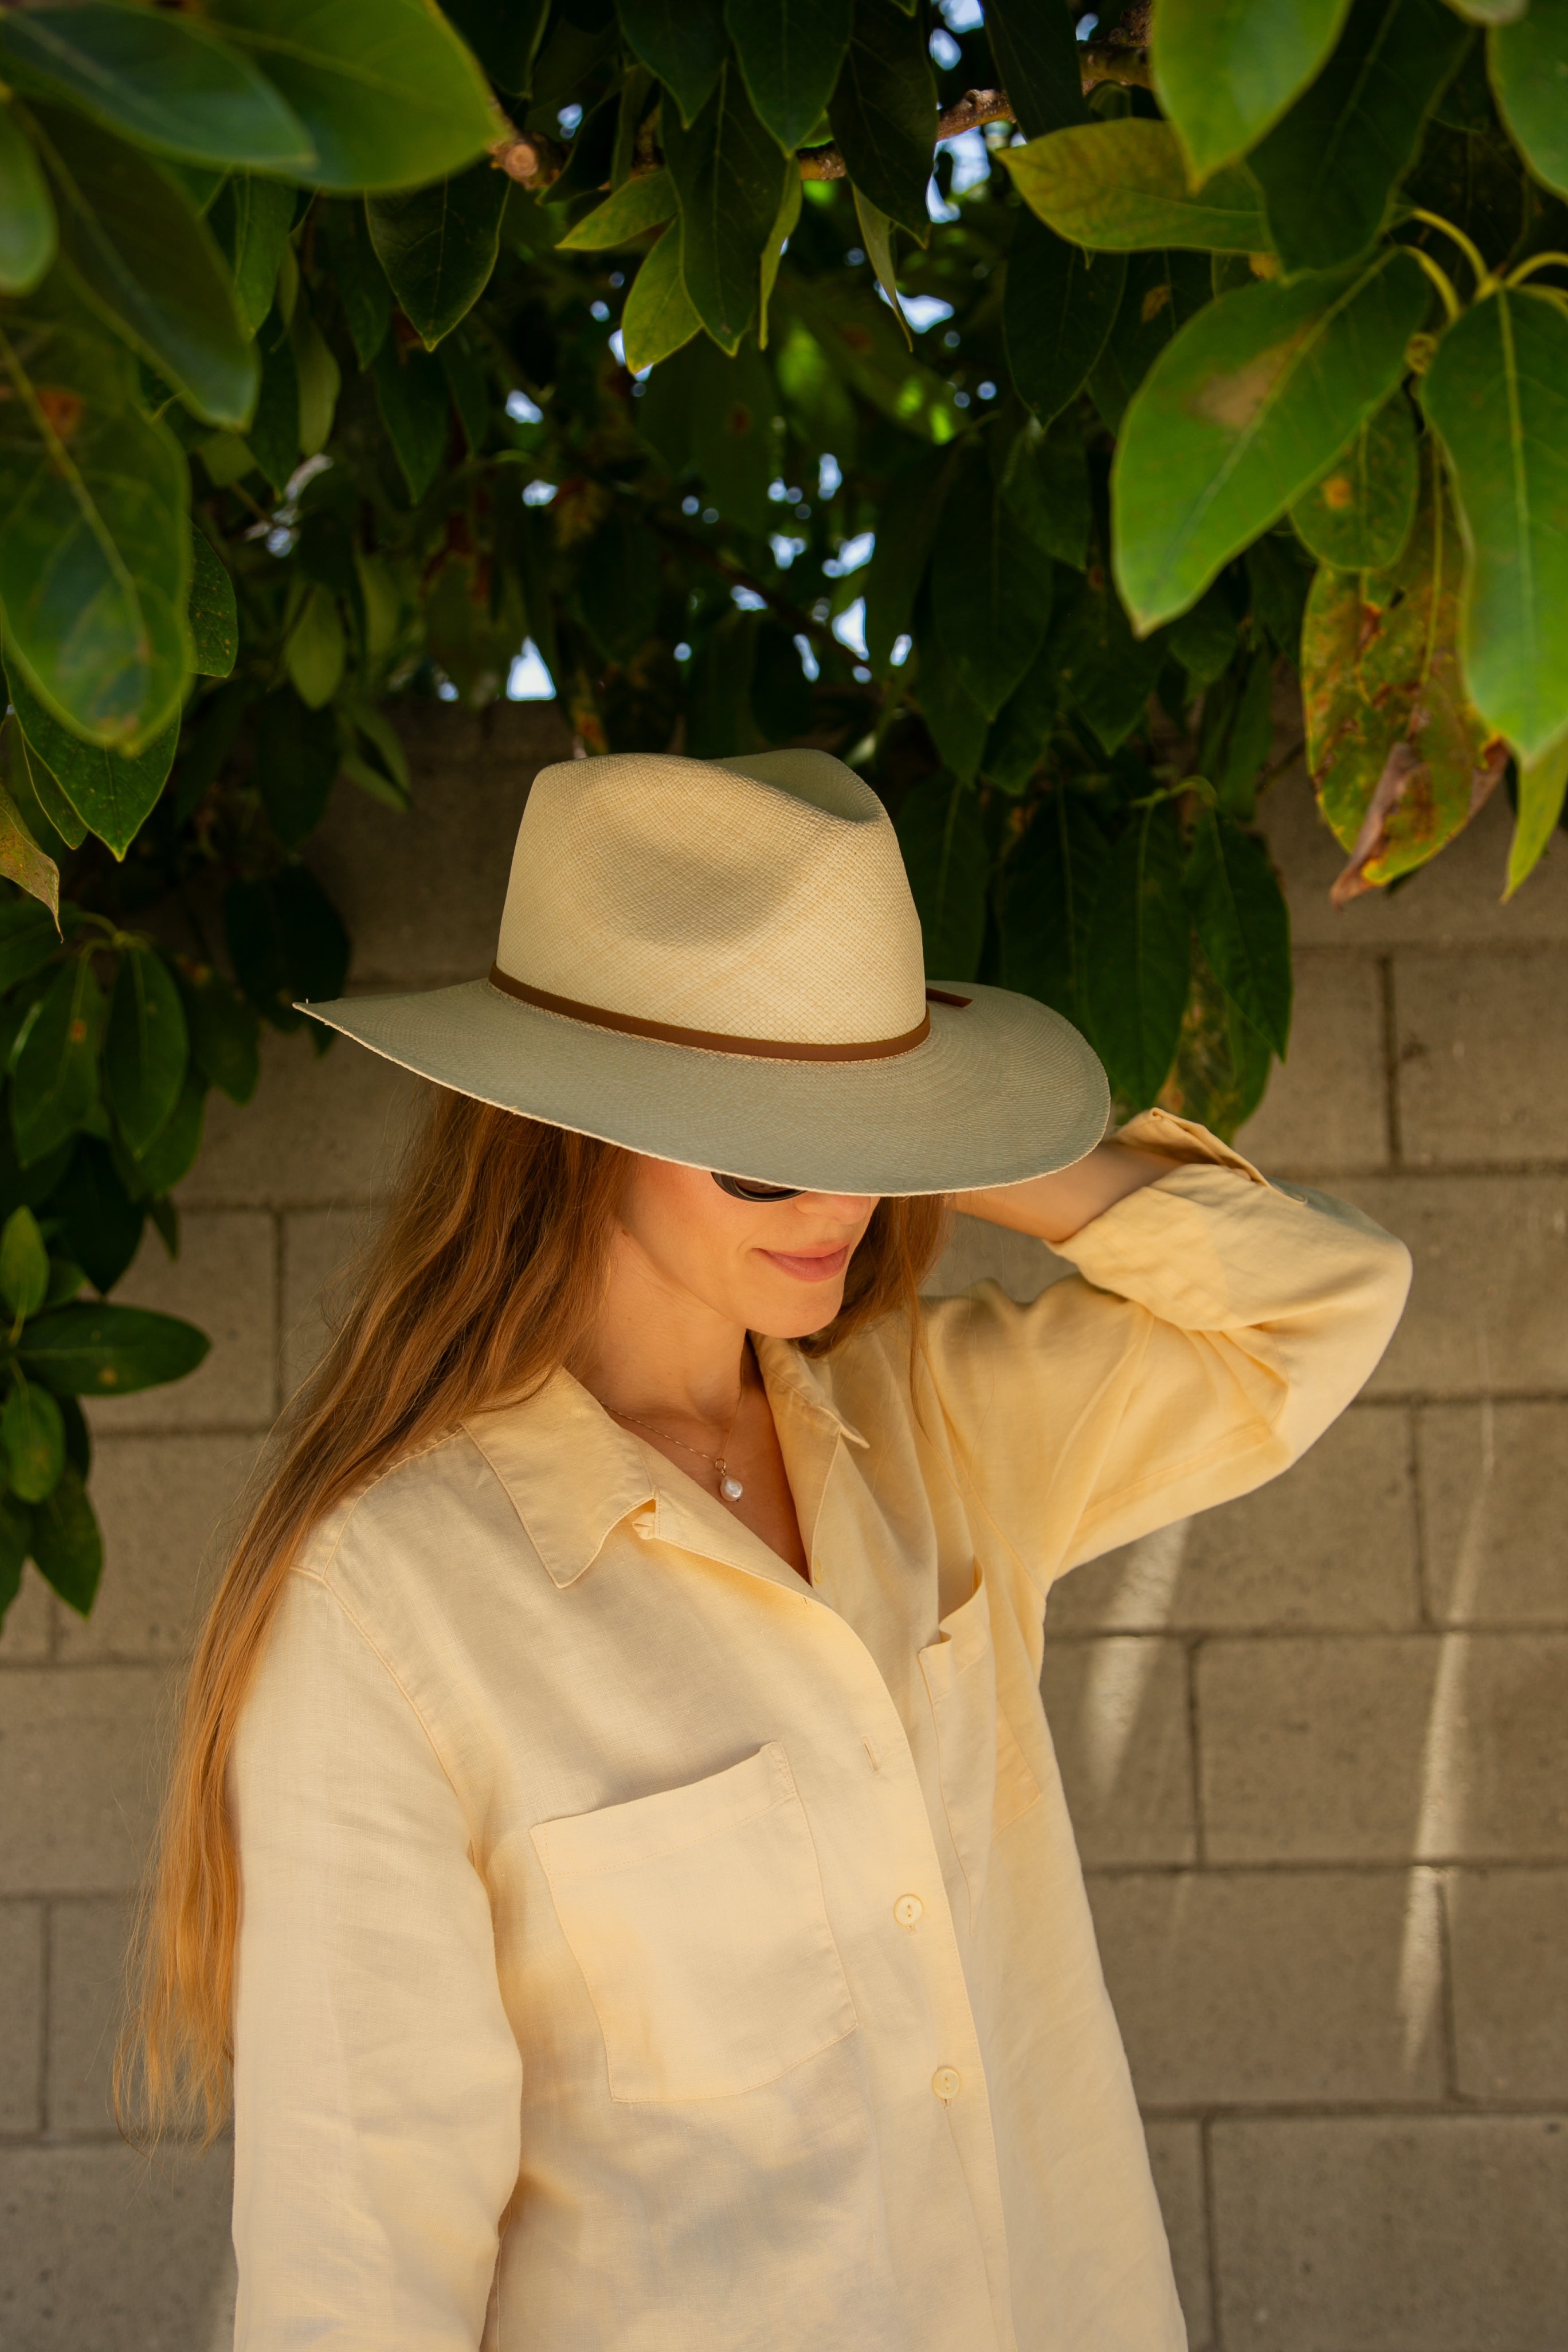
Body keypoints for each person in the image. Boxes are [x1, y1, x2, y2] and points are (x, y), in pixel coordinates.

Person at [128, 748, 1410, 2352]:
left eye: (863, 1131)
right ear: (577, 1129)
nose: (834, 1199)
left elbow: (1316, 1308)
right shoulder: (395, 1606)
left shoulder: (933, 1436)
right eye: (758, 1139)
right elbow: (359, 2276)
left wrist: (944, 1128)